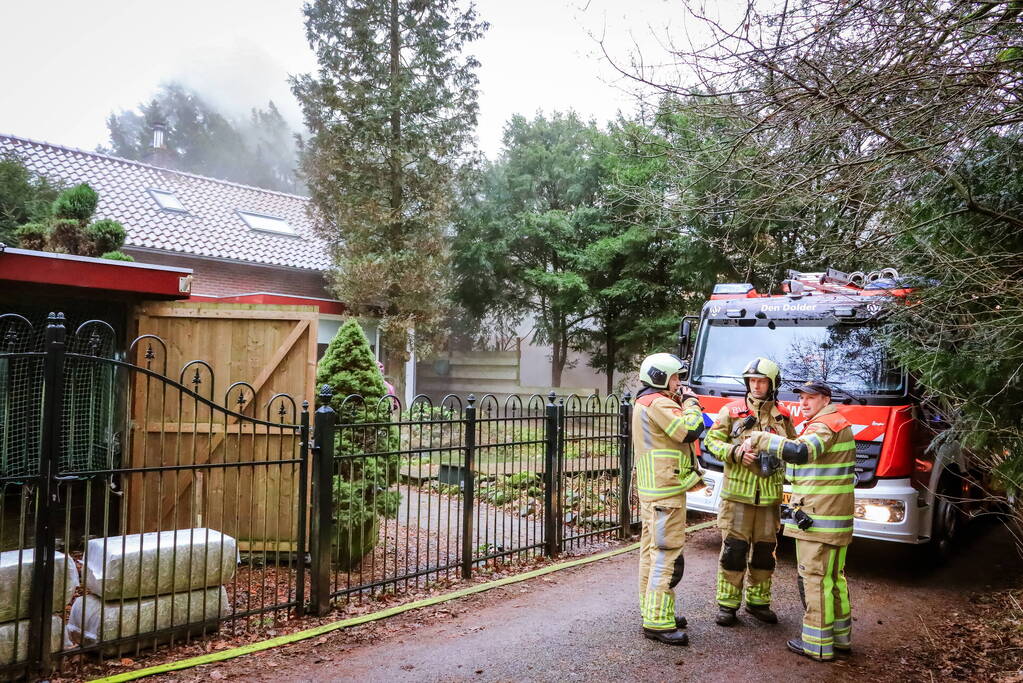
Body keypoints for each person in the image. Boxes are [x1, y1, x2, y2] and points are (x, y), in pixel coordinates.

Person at [743, 381, 855, 662]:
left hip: (819, 519)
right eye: (802, 398)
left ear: (825, 400)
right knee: (833, 579)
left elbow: (801, 452)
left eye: (811, 398)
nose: (804, 403)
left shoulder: (825, 425)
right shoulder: (834, 422)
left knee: (815, 580)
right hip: (833, 518)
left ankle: (817, 645)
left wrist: (760, 438)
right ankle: (840, 638)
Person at [703, 357, 796, 626]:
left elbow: (794, 448)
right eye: (752, 381)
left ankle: (758, 603)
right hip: (737, 497)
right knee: (734, 551)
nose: (756, 386)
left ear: (773, 384)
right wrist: (735, 452)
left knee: (765, 553)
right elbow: (711, 441)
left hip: (769, 499)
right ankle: (727, 605)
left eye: (762, 381)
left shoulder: (783, 415)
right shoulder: (731, 411)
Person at [632, 352, 707, 646]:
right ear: (660, 376)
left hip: (654, 488)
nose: (678, 383)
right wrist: (691, 403)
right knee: (667, 553)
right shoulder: (659, 403)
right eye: (675, 377)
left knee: (651, 552)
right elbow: (688, 431)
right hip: (667, 489)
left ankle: (652, 609)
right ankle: (658, 622)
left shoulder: (645, 401)